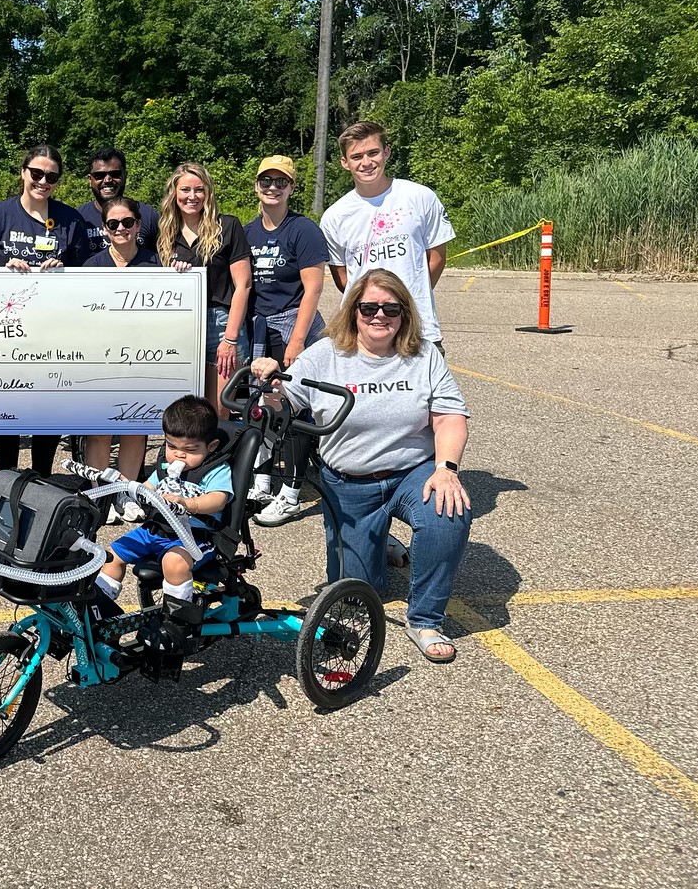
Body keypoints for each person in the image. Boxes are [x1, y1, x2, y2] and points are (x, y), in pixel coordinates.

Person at [249, 269, 472, 663]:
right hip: (349, 482)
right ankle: (378, 539)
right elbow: (285, 405)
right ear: (354, 311)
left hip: (411, 472)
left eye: (391, 308)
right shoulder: (325, 354)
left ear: (405, 313)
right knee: (354, 597)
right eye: (369, 307)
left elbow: (450, 416)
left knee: (448, 511)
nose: (379, 316)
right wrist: (272, 387)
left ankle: (425, 618)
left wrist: (446, 468)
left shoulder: (423, 355)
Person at [0, 143, 91, 476]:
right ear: (23, 172)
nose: (43, 181)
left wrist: (64, 271)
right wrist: (1, 269)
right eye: (37, 173)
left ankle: (42, 477)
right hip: (6, 330)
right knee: (6, 403)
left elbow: (87, 276)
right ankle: (6, 477)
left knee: (47, 406)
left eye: (51, 176)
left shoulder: (70, 220)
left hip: (53, 330)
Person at [242, 155, 329, 527]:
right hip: (262, 330)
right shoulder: (248, 232)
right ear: (257, 187)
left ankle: (291, 492)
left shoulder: (303, 230)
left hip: (295, 326)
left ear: (292, 187)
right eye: (266, 181)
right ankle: (262, 480)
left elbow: (312, 290)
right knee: (261, 406)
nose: (273, 188)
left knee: (292, 409)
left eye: (281, 182)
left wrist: (296, 344)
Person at [91, 395, 232, 618]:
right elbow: (147, 488)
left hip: (194, 537)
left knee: (173, 562)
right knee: (112, 555)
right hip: (156, 530)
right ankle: (100, 606)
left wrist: (189, 503)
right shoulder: (165, 469)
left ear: (211, 446)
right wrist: (129, 488)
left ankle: (177, 617)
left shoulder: (215, 470)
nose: (179, 454)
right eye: (171, 446)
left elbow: (219, 498)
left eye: (190, 449)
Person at [320, 121, 455, 348]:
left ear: (387, 152)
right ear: (345, 162)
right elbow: (344, 279)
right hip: (362, 333)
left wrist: (405, 299)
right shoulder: (334, 216)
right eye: (356, 156)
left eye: (373, 153)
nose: (366, 162)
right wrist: (375, 306)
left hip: (417, 329)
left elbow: (437, 257)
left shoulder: (420, 197)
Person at [156, 162, 252, 416]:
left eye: (199, 190)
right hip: (181, 327)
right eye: (185, 189)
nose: (192, 196)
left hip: (221, 324)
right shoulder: (165, 233)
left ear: (208, 193)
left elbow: (243, 285)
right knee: (183, 408)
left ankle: (220, 456)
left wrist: (229, 339)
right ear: (174, 193)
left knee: (219, 408)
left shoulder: (228, 227)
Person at [82, 196, 158, 487]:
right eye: (113, 223)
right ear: (104, 228)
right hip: (101, 361)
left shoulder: (157, 264)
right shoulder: (91, 267)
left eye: (127, 222)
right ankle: (99, 491)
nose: (121, 228)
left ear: (138, 224)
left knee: (136, 429)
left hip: (143, 360)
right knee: (100, 432)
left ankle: (127, 490)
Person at [76, 147, 158, 257]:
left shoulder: (148, 216)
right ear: (90, 180)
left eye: (115, 174)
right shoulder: (78, 218)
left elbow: (166, 258)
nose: (107, 180)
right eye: (99, 175)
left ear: (125, 175)